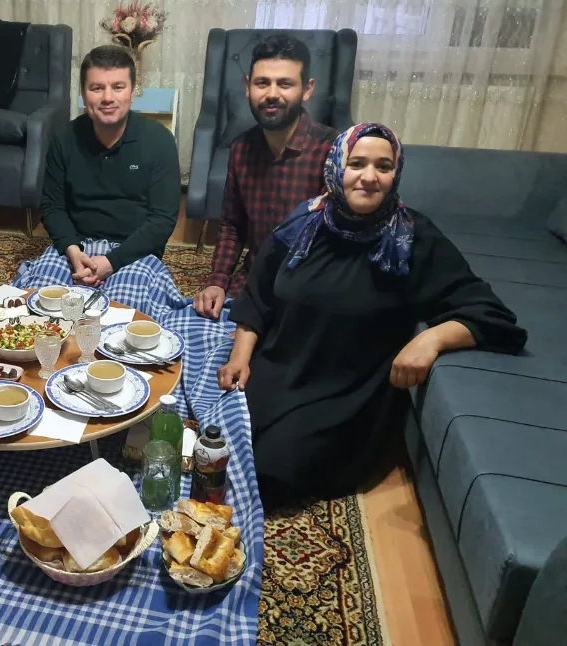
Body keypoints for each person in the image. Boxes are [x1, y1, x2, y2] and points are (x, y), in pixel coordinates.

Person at [217, 123, 527, 507]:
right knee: (215, 446)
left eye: (383, 166)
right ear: (336, 168)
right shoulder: (303, 223)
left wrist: (431, 339)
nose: (369, 177)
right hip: (281, 364)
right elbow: (258, 296)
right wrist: (240, 357)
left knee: (267, 475)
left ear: (396, 174)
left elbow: (491, 314)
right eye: (357, 163)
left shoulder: (413, 238)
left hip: (345, 393)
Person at [194, 34, 338, 318]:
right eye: (262, 83)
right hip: (254, 281)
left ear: (307, 90)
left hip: (311, 292)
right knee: (187, 326)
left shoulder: (332, 151)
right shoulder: (241, 149)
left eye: (285, 84)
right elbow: (232, 224)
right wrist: (217, 281)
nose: (272, 94)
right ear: (248, 87)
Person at [40, 45, 181, 286]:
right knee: (40, 297)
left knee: (126, 306)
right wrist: (73, 250)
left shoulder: (159, 141)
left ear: (133, 92)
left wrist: (112, 261)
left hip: (134, 250)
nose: (107, 98)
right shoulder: (64, 138)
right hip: (76, 247)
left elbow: (163, 219)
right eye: (97, 88)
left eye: (118, 87)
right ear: (83, 93)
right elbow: (52, 207)